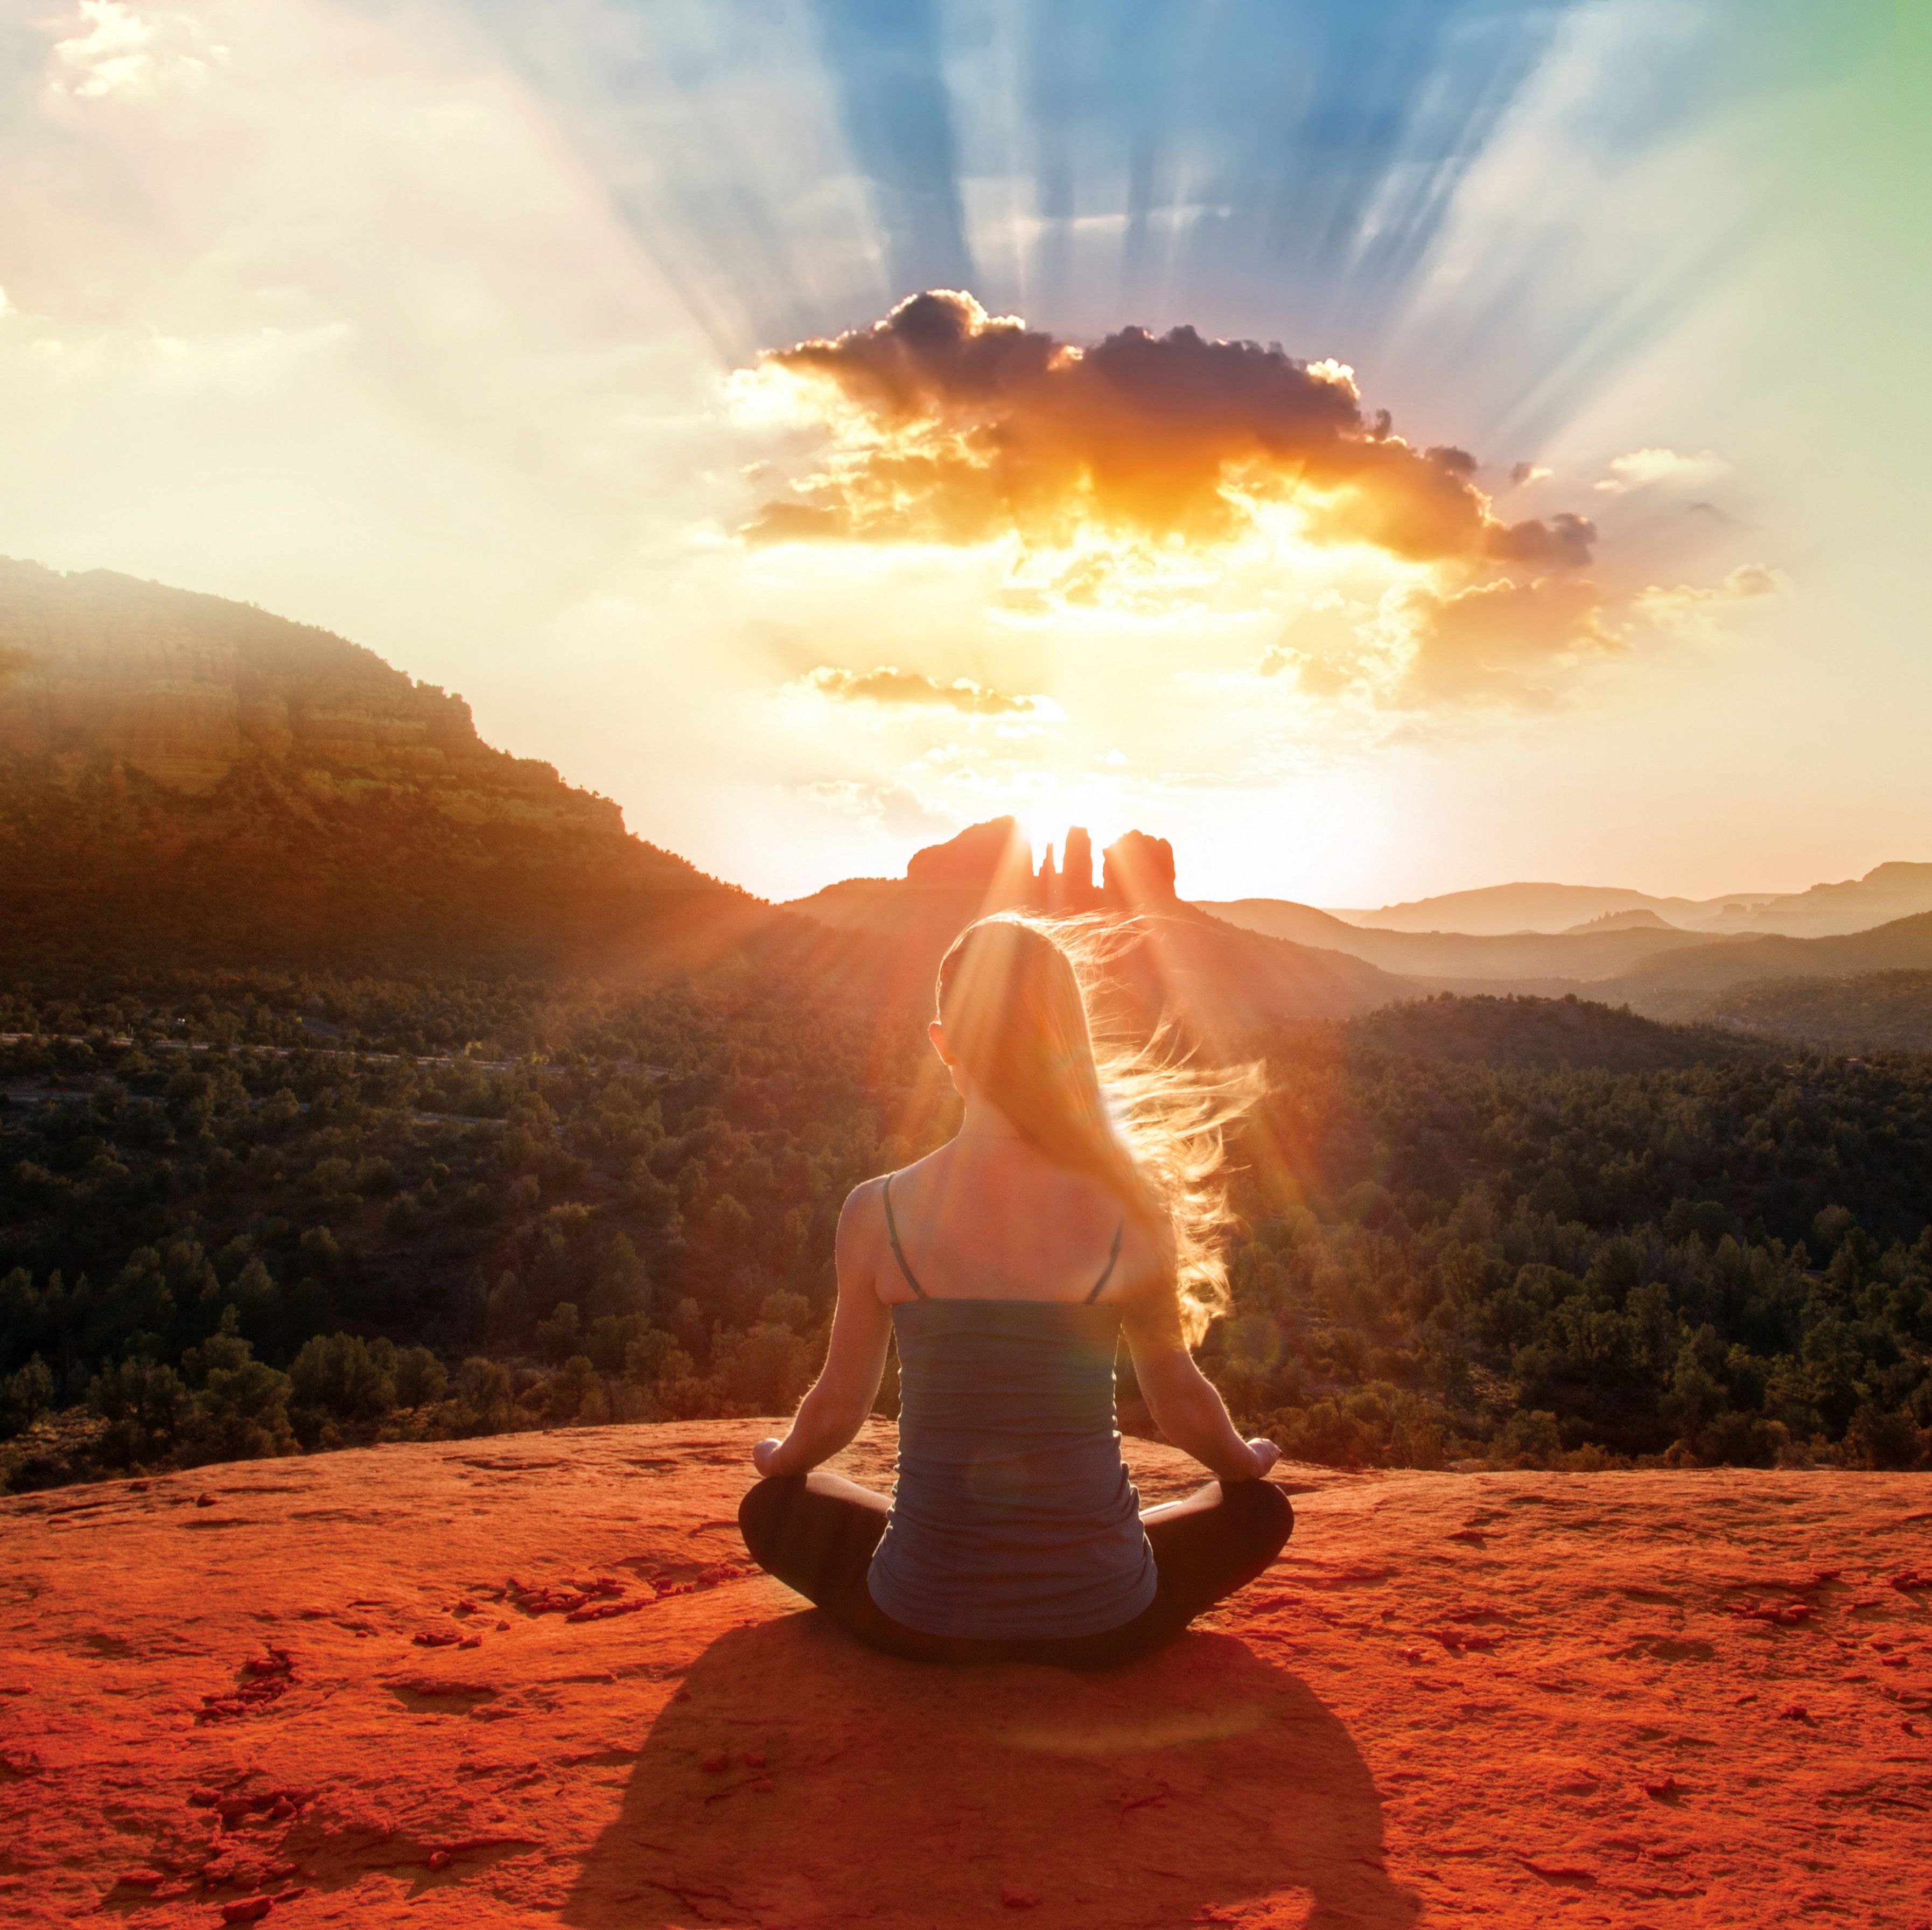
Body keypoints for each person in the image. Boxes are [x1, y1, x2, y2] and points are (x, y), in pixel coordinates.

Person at [738, 913, 1292, 1669]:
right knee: (1258, 1513)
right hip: (1106, 1623)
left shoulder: (879, 1211)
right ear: (1068, 1040)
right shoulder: (1133, 1207)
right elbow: (1178, 1400)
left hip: (921, 1621)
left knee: (774, 1509)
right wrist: (1242, 1461)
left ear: (943, 1043)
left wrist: (783, 1457)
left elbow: (839, 1406)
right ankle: (1094, 1565)